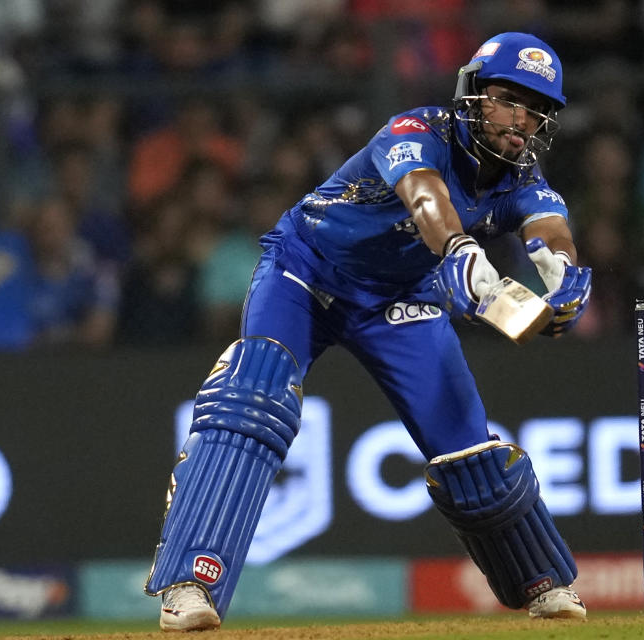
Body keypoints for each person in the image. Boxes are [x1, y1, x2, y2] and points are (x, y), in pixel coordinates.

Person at [143, 32, 592, 630]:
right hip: (306, 272)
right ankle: (187, 585)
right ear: (474, 94)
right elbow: (425, 197)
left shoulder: (520, 178)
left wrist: (565, 274)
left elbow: (548, 226)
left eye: (537, 111)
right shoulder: (414, 132)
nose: (522, 120)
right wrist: (460, 251)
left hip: (400, 298)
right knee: (252, 399)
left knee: (467, 446)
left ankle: (543, 583)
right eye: (509, 100)